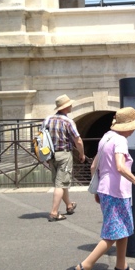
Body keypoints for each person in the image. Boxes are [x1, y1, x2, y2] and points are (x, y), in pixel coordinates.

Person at [73, 107, 135, 270]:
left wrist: (97, 191)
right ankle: (85, 266)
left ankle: (120, 266)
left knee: (122, 228)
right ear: (128, 126)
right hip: (117, 192)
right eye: (134, 126)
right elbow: (120, 166)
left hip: (106, 189)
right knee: (112, 233)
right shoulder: (121, 141)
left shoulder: (106, 137)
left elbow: (93, 166)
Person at [46, 94, 86, 222]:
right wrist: (81, 154)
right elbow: (78, 140)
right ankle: (54, 213)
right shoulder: (68, 121)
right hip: (64, 154)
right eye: (69, 105)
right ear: (65, 107)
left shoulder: (48, 119)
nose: (71, 106)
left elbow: (42, 137)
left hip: (51, 154)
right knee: (60, 184)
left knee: (60, 181)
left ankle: (69, 205)